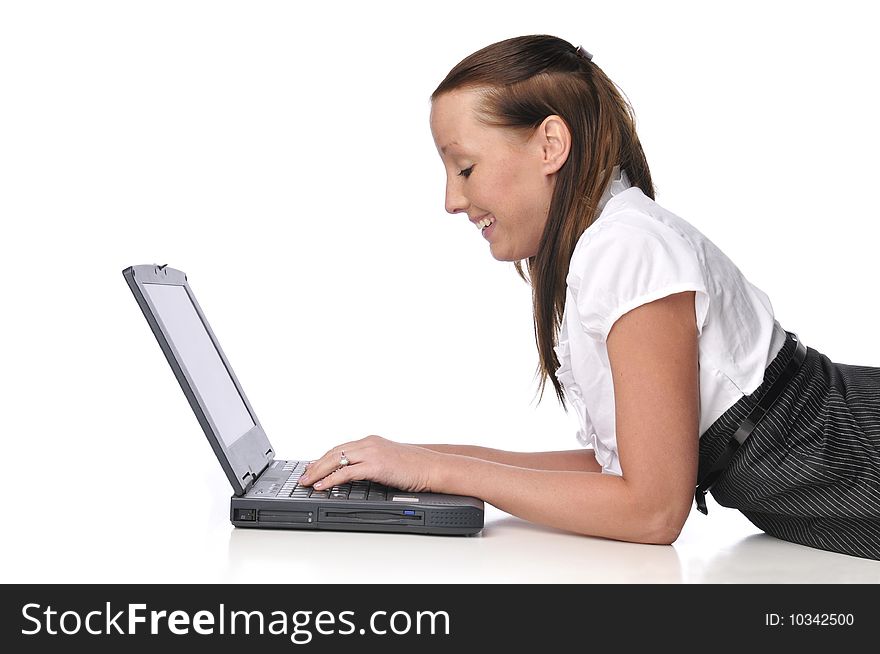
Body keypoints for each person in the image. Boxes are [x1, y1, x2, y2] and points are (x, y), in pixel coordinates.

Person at [298, 34, 880, 560]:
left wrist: (436, 469)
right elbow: (620, 476)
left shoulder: (626, 247)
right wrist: (410, 463)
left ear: (551, 144)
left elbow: (652, 510)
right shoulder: (602, 248)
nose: (451, 200)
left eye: (465, 167)